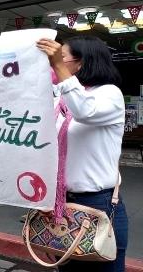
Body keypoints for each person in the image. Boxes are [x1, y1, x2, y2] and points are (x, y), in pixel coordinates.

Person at [37, 36, 128, 272]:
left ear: (82, 62)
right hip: (63, 202)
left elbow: (84, 111)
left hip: (98, 203)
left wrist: (58, 68)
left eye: (60, 58)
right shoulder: (62, 98)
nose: (53, 65)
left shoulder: (109, 95)